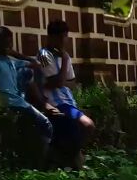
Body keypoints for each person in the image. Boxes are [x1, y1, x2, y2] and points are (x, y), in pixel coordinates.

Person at [0, 26, 56, 146]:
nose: (9, 45)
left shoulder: (11, 61)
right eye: (5, 42)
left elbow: (35, 64)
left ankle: (41, 101)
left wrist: (14, 54)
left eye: (10, 42)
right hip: (10, 102)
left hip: (19, 100)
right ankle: (43, 160)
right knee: (45, 124)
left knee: (28, 73)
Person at [38, 20, 95, 167]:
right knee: (87, 125)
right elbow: (56, 82)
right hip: (56, 103)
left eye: (65, 37)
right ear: (52, 37)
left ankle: (72, 154)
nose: (64, 41)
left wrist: (61, 80)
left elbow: (71, 83)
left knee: (86, 127)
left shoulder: (65, 56)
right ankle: (74, 155)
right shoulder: (44, 55)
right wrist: (63, 65)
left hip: (69, 102)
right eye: (61, 37)